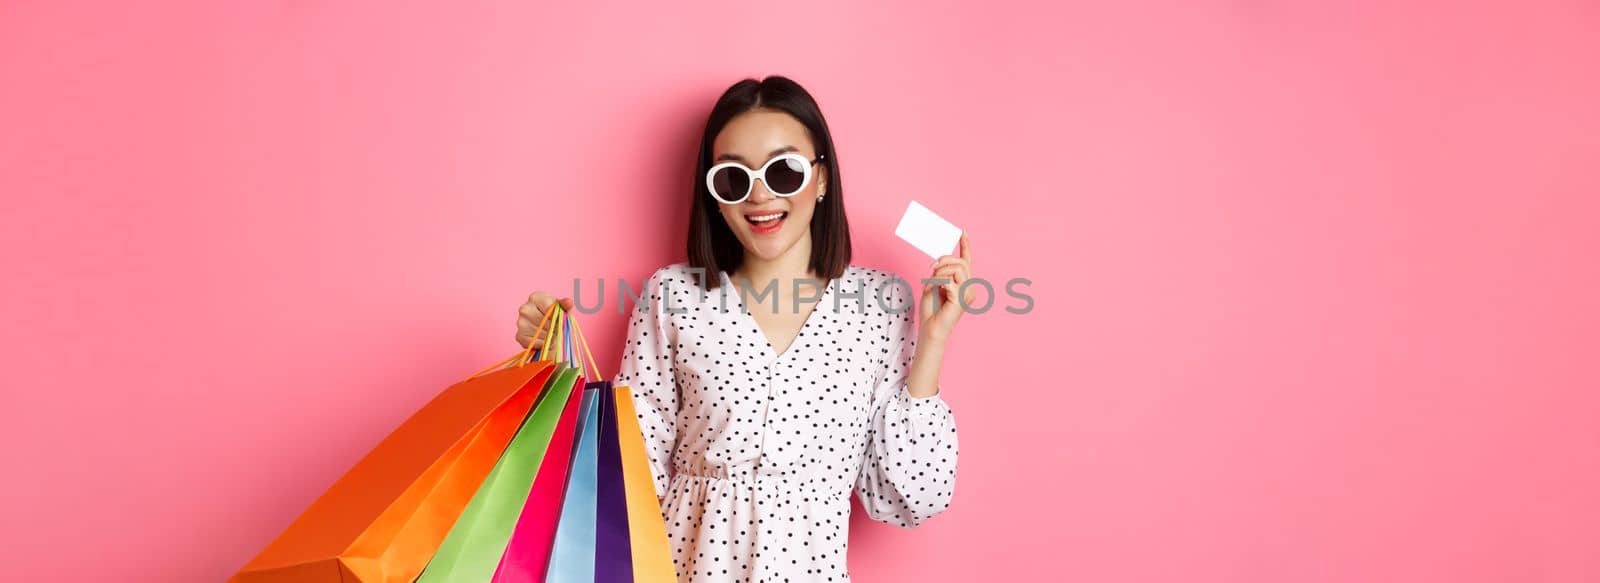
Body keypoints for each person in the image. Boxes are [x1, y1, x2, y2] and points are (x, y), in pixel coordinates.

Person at [515, 75, 971, 582]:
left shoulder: (879, 305)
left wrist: (932, 345)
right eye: (733, 177)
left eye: (784, 171)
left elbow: (909, 497)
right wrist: (557, 368)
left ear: (822, 179)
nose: (759, 195)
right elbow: (626, 473)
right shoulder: (672, 297)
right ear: (713, 193)